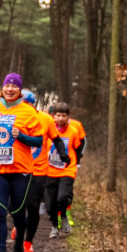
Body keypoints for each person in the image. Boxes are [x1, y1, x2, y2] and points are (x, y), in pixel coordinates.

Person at [0, 72, 65, 252]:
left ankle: (19, 241)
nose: (10, 89)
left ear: (20, 90)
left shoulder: (29, 112)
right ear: (2, 89)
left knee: (17, 211)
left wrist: (22, 136)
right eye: (7, 86)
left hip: (21, 170)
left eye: (14, 86)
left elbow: (38, 141)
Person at [16, 89, 65, 252]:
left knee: (33, 206)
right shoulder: (11, 118)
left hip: (38, 170)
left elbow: (57, 139)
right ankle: (18, 225)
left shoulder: (45, 119)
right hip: (17, 168)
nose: (24, 106)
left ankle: (28, 242)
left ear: (33, 104)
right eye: (21, 103)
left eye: (27, 103)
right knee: (17, 206)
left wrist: (63, 154)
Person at [45, 102, 85, 238]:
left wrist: (77, 163)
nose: (61, 118)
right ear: (53, 116)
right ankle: (55, 227)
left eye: (64, 116)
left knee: (62, 197)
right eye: (58, 115)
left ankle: (63, 217)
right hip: (49, 170)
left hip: (67, 170)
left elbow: (78, 148)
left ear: (68, 117)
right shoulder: (48, 130)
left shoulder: (73, 132)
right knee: (50, 205)